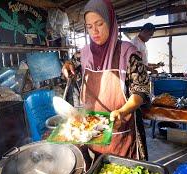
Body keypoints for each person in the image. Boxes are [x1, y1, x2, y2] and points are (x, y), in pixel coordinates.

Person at [62, 0, 149, 161]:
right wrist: (67, 66)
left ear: (110, 21)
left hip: (122, 137)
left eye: (99, 24)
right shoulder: (82, 54)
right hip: (91, 132)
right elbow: (69, 67)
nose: (94, 31)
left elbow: (140, 92)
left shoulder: (129, 54)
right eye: (89, 27)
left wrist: (122, 112)